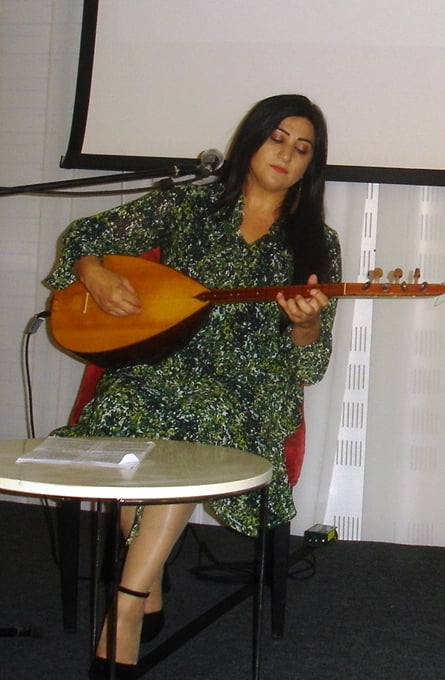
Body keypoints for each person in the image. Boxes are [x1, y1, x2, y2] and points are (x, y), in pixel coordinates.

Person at [47, 93, 341, 678]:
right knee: (124, 412)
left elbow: (311, 362)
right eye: (277, 138)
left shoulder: (315, 242)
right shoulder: (186, 206)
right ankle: (148, 588)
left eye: (303, 149)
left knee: (193, 428)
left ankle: (125, 611)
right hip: (162, 365)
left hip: (250, 386)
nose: (286, 154)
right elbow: (84, 237)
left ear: (311, 165)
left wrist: (305, 324)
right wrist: (94, 272)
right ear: (251, 140)